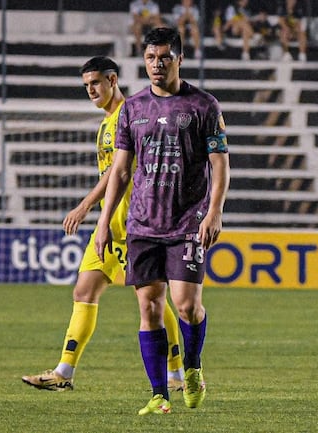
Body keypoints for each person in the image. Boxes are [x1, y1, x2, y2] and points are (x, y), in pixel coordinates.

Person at [20, 56, 186, 393]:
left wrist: (85, 206)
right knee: (85, 291)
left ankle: (178, 374)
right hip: (109, 225)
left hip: (132, 224)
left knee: (151, 299)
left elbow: (116, 172)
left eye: (95, 83)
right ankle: (63, 372)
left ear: (112, 79)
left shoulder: (127, 115)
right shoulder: (108, 120)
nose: (91, 90)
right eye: (86, 86)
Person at [94, 27, 230, 415]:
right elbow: (119, 173)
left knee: (186, 306)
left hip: (187, 222)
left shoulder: (204, 106)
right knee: (149, 308)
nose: (157, 64)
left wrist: (215, 210)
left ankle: (192, 366)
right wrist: (105, 222)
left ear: (179, 59)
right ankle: (158, 394)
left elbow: (220, 166)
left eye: (165, 58)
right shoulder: (132, 109)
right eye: (151, 58)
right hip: (141, 225)